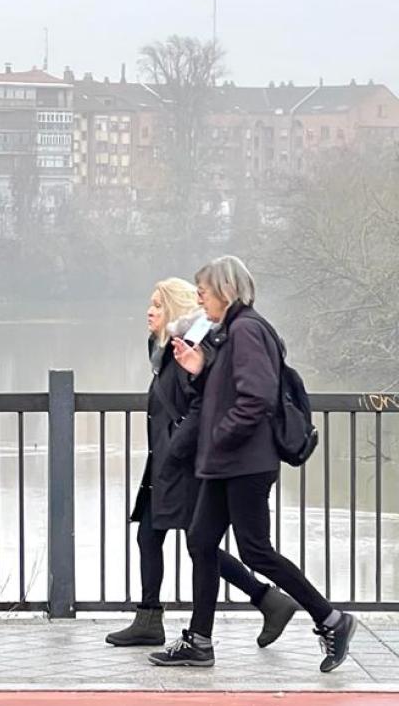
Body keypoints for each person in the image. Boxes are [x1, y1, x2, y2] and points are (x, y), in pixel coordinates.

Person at [150, 256, 356, 672]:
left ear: (225, 291)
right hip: (228, 462)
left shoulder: (246, 330)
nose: (201, 301)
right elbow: (228, 389)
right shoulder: (232, 332)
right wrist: (201, 368)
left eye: (204, 293)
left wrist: (219, 434)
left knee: (256, 551)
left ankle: (332, 620)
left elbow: (256, 398)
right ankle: (200, 642)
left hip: (245, 462)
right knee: (201, 542)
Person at [106, 278, 298, 648]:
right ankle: (150, 617)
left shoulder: (185, 351)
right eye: (150, 304)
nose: (150, 311)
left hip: (185, 462)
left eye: (158, 305)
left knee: (200, 543)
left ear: (175, 310)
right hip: (166, 460)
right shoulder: (163, 351)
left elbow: (198, 405)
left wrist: (177, 447)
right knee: (152, 533)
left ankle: (265, 599)